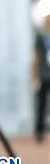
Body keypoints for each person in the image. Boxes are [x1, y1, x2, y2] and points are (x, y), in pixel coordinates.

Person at [34, 11, 50, 143]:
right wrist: (35, 76)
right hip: (44, 75)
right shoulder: (41, 37)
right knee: (42, 105)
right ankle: (39, 131)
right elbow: (36, 57)